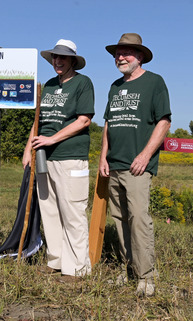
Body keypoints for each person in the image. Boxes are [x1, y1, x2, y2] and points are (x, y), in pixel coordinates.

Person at [99, 33, 171, 297]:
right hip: (115, 164)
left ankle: (146, 277)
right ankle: (127, 270)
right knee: (119, 219)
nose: (120, 57)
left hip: (138, 166)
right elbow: (108, 123)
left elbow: (163, 122)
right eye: (117, 53)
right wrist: (103, 155)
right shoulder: (115, 86)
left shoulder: (154, 82)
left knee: (138, 218)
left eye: (126, 52)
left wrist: (144, 155)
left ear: (140, 56)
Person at [23, 39, 94, 279]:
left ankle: (77, 269)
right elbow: (38, 122)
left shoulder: (83, 83)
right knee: (49, 210)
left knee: (72, 212)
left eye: (63, 57)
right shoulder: (49, 86)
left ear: (73, 60)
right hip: (44, 158)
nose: (58, 61)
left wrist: (53, 140)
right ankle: (56, 261)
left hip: (70, 157)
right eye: (55, 57)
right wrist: (28, 149)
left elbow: (84, 120)